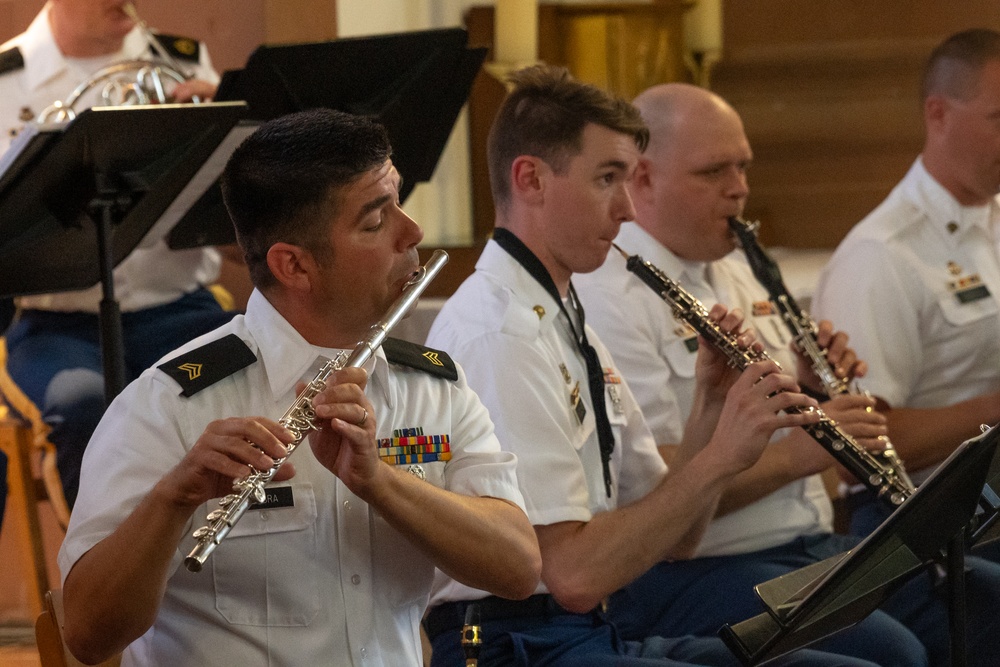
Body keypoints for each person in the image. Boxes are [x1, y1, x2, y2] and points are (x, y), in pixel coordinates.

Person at [423, 64, 887, 667]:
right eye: (607, 179)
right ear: (531, 178)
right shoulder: (499, 331)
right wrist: (722, 455)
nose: (626, 209)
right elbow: (573, 574)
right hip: (512, 642)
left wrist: (710, 407)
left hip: (583, 631)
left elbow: (681, 540)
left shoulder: (564, 313)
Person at [56, 108, 542, 665]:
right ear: (294, 265)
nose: (413, 232)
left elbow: (518, 568)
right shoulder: (168, 404)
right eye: (375, 221)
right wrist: (174, 499)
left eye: (399, 203)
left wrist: (380, 483)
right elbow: (88, 633)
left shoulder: (433, 387)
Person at [575, 81, 1000, 667]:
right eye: (714, 172)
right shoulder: (612, 298)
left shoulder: (738, 272)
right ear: (642, 179)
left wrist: (817, 391)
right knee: (896, 650)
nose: (740, 189)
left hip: (803, 545)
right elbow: (648, 494)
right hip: (694, 571)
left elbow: (786, 422)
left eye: (744, 167)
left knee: (979, 596)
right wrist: (803, 452)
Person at [0, 0, 235, 509]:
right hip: (58, 328)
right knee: (81, 403)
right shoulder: (5, 80)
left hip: (182, 312)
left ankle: (221, 573)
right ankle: (101, 576)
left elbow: (244, 240)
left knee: (252, 381)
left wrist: (233, 149)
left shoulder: (184, 64)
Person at [812, 28, 1000, 537]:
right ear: (938, 115)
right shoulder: (882, 255)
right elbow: (859, 450)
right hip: (931, 521)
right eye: (998, 118)